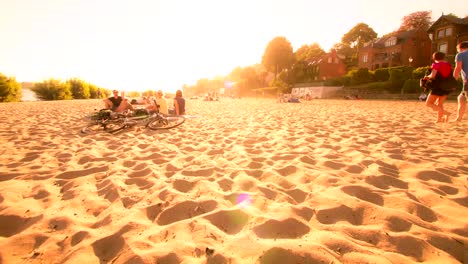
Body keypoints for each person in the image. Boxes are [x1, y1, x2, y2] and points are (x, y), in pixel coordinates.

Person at [423, 52, 453, 123]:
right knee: (440, 104)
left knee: (428, 103)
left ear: (434, 58)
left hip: (437, 87)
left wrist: (427, 77)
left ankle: (446, 113)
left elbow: (433, 75)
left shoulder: (436, 65)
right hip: (447, 87)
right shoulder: (448, 65)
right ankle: (439, 120)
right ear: (444, 57)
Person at [453, 41, 468, 122]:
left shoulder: (460, 55)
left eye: (457, 49)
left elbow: (458, 68)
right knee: (461, 98)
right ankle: (458, 118)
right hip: (466, 83)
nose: (457, 51)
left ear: (460, 48)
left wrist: (453, 80)